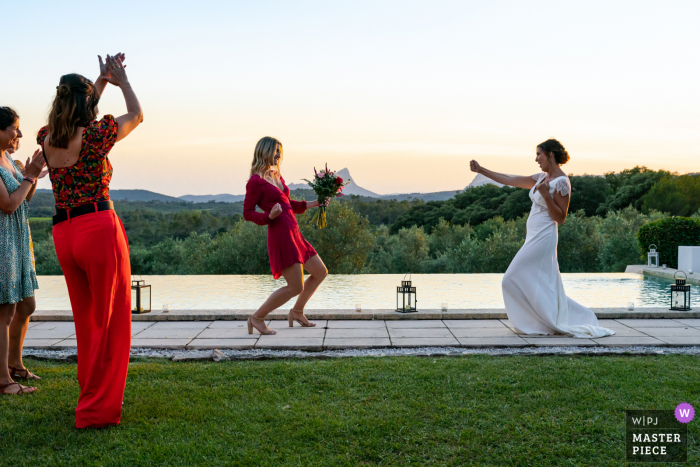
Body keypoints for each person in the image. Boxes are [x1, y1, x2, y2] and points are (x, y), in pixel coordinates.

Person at [37, 54, 143, 427]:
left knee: (87, 321)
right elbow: (137, 115)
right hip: (97, 228)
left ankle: (90, 393)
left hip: (64, 234)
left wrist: (97, 81)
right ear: (88, 105)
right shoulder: (97, 136)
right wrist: (122, 82)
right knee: (110, 321)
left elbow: (75, 113)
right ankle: (96, 409)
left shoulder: (46, 138)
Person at [470, 139, 615, 338]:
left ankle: (541, 323)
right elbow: (510, 179)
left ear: (550, 155)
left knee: (510, 278)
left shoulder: (561, 182)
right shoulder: (541, 178)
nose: (536, 158)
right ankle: (543, 322)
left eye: (539, 154)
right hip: (533, 236)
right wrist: (482, 170)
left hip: (544, 237)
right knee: (539, 283)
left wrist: (546, 195)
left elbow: (561, 218)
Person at [243, 137, 329, 335]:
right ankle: (256, 318)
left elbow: (288, 204)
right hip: (281, 236)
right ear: (264, 152)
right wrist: (268, 216)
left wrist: (315, 203)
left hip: (295, 233)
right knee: (295, 286)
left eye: (280, 151)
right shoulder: (255, 182)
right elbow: (247, 213)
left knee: (320, 272)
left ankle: (297, 311)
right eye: (276, 151)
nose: (279, 156)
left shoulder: (276, 175)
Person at [0, 106, 46, 395]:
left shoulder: (7, 159)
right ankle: (4, 381)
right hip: (2, 244)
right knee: (4, 312)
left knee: (26, 305)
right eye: (13, 128)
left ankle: (15, 363)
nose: (18, 133)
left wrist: (34, 175)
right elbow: (7, 204)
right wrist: (27, 177)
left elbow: (24, 199)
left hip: (18, 242)